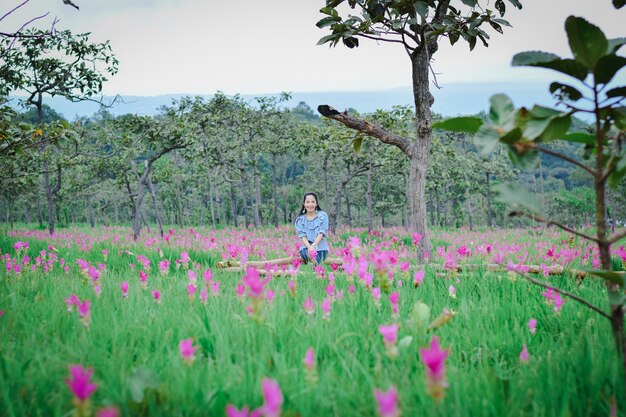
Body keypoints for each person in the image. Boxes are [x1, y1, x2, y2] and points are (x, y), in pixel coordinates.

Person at [295, 192, 329, 264]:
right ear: (304, 204)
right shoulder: (300, 219)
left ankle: (315, 270)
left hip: (320, 248)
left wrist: (314, 246)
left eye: (313, 202)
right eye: (307, 202)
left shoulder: (323, 216)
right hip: (306, 248)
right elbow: (303, 236)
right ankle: (314, 270)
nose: (310, 204)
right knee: (309, 255)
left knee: (317, 257)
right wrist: (310, 248)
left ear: (316, 204)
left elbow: (321, 233)